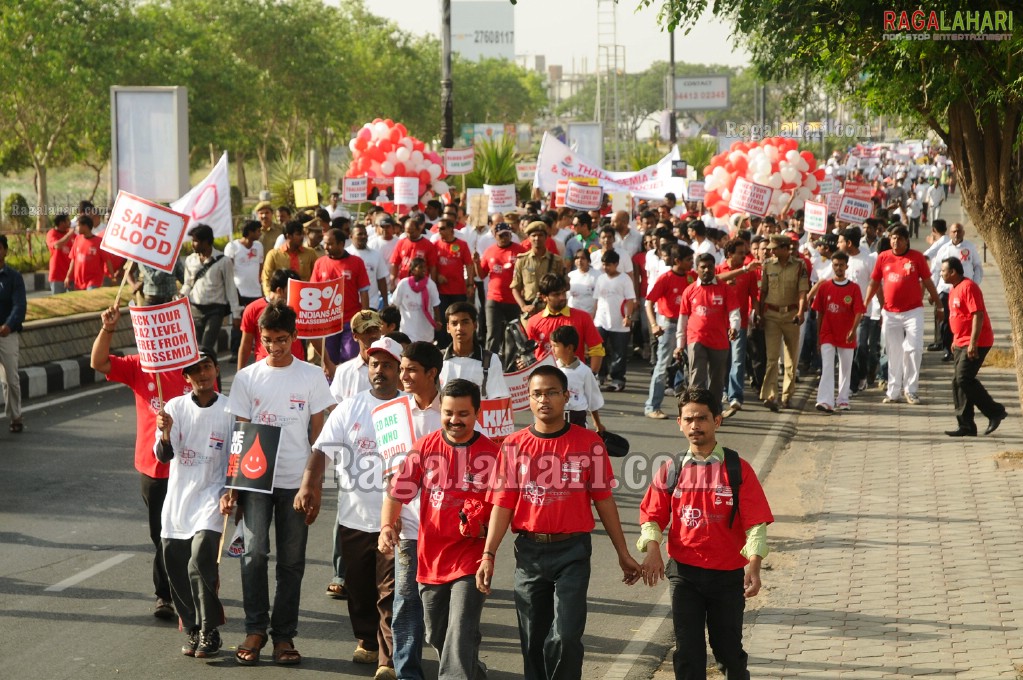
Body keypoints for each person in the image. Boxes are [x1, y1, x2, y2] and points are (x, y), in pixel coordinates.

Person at [476, 364, 641, 680]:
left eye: (552, 392)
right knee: (533, 642)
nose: (544, 400)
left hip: (573, 552)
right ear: (529, 398)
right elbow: (502, 504)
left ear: (566, 396)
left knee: (564, 637)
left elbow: (604, 501)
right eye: (537, 394)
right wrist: (488, 553)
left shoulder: (589, 443)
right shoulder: (513, 446)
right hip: (528, 554)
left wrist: (623, 552)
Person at [222, 301, 334, 666]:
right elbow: (240, 433)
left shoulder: (312, 376)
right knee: (253, 556)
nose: (276, 347)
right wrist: (232, 488)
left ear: (295, 336)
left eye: (282, 339)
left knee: (291, 562)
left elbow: (318, 436)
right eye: (269, 340)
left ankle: (283, 636)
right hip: (255, 483)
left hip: (296, 484)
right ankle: (255, 629)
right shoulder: (247, 378)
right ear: (261, 338)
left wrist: (314, 485)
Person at [637, 387, 773, 680]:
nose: (695, 425)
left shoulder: (738, 469)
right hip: (684, 576)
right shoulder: (671, 469)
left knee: (728, 653)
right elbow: (652, 517)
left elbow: (755, 525)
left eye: (702, 418)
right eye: (688, 419)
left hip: (727, 577)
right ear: (679, 423)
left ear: (718, 421)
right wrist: (652, 550)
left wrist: (754, 565)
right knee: (687, 654)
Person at [295, 337, 406, 680]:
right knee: (359, 587)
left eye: (387, 365)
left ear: (399, 370)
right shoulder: (349, 408)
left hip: (398, 519)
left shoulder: (409, 409)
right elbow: (321, 450)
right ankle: (367, 640)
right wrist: (308, 484)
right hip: (354, 516)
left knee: (390, 589)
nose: (379, 371)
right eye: (374, 364)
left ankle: (387, 656)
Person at [383, 379, 497, 680]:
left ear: (477, 413)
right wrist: (386, 525)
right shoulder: (425, 446)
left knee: (459, 629)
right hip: (431, 557)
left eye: (463, 414)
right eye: (449, 413)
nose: (455, 420)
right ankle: (473, 671)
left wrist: (486, 539)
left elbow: (504, 506)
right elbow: (397, 492)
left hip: (471, 558)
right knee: (437, 633)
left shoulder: (492, 453)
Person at [91, 305, 193, 618]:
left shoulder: (194, 368)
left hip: (190, 466)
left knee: (188, 531)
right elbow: (99, 362)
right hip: (154, 468)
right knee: (161, 534)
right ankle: (165, 595)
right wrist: (108, 329)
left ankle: (190, 586)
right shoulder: (138, 367)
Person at [154, 351, 231, 658]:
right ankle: (193, 627)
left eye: (207, 367)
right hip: (179, 500)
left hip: (213, 497)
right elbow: (163, 456)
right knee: (175, 566)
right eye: (195, 370)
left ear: (215, 371)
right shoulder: (173, 407)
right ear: (186, 377)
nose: (202, 374)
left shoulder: (229, 410)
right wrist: (165, 432)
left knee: (200, 561)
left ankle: (210, 630)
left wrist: (232, 493)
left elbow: (239, 455)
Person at [864, 225, 941, 405]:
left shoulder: (917, 258)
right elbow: (874, 283)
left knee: (914, 350)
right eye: (892, 238)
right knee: (893, 352)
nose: (895, 241)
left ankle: (911, 390)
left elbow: (928, 281)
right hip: (890, 313)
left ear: (907, 240)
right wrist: (864, 303)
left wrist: (939, 305)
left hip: (913, 311)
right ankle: (893, 392)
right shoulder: (883, 257)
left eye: (899, 238)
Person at [941, 257, 1007, 437]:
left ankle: (995, 411)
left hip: (978, 340)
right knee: (957, 382)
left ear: (953, 272)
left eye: (943, 270)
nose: (941, 273)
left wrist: (973, 342)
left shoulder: (968, 287)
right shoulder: (953, 289)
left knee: (964, 378)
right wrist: (955, 339)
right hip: (960, 341)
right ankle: (966, 425)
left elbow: (977, 314)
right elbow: (957, 316)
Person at [676, 253, 740, 406]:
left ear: (714, 269)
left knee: (717, 381)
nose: (706, 270)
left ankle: (715, 413)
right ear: (696, 269)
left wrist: (734, 327)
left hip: (719, 341)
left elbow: (734, 312)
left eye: (710, 267)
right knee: (697, 377)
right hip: (696, 339)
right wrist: (679, 345)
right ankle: (697, 410)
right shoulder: (689, 290)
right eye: (702, 267)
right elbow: (683, 319)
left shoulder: (724, 289)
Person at [756, 234, 809, 412]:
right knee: (772, 358)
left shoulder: (799, 266)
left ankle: (787, 395)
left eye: (775, 248)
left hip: (791, 314)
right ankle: (771, 395)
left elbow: (802, 292)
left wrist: (801, 312)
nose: (771, 251)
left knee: (791, 359)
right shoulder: (767, 265)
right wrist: (759, 313)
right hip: (771, 315)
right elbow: (763, 291)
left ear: (786, 249)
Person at [644, 244, 696, 419]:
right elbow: (649, 302)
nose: (692, 263)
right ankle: (652, 406)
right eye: (689, 260)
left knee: (691, 366)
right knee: (662, 366)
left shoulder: (692, 277)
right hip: (668, 326)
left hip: (689, 326)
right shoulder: (665, 278)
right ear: (677, 261)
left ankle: (691, 408)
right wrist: (653, 325)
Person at [811, 251, 865, 413]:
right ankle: (825, 400)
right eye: (835, 265)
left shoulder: (854, 288)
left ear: (846, 266)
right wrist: (819, 336)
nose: (838, 268)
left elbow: (859, 312)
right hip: (827, 333)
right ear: (832, 266)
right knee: (827, 366)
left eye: (841, 265)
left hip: (846, 334)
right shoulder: (824, 287)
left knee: (845, 367)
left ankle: (842, 399)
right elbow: (819, 312)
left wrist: (853, 330)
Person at [311, 227, 371, 367]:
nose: (326, 247)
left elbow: (364, 292)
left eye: (330, 244)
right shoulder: (320, 263)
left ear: (341, 244)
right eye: (325, 243)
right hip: (328, 322)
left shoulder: (357, 262)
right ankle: (331, 388)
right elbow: (314, 292)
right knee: (329, 361)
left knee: (351, 360)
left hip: (351, 321)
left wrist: (364, 319)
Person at [180, 224, 242, 357]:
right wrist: (180, 295)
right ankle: (210, 376)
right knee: (196, 349)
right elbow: (188, 283)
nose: (192, 244)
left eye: (195, 241)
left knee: (206, 347)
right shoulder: (190, 260)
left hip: (215, 310)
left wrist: (236, 315)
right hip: (195, 309)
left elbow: (231, 288)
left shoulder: (223, 261)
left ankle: (213, 374)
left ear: (206, 242)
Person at [524, 273, 605, 371]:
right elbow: (528, 353)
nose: (562, 297)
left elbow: (597, 349)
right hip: (543, 379)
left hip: (574, 379)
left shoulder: (583, 317)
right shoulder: (533, 322)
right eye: (556, 294)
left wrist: (592, 376)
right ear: (544, 297)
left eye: (563, 293)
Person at [716, 239, 759, 418]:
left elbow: (753, 295)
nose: (744, 256)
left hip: (739, 323)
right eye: (740, 253)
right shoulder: (718, 270)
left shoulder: (749, 272)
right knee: (723, 361)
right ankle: (724, 390)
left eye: (745, 253)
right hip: (719, 324)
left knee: (738, 360)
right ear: (729, 254)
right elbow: (714, 282)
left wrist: (755, 313)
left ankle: (735, 397)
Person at [932, 223, 983, 360]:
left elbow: (977, 266)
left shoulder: (970, 247)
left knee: (963, 319)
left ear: (963, 232)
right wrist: (935, 291)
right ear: (949, 233)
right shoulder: (944, 249)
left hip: (964, 290)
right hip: (946, 290)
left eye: (959, 231)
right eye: (953, 231)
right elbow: (937, 270)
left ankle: (962, 345)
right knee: (946, 321)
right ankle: (947, 349)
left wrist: (975, 283)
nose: (956, 234)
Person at [439, 302, 511, 399]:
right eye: (454, 323)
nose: (459, 328)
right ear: (448, 328)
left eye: (465, 322)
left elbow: (498, 398)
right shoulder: (438, 358)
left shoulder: (490, 359)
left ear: (475, 325)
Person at [237, 269, 304, 371]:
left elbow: (313, 336)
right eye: (293, 289)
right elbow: (246, 344)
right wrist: (240, 373)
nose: (297, 294)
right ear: (279, 290)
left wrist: (326, 361)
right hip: (265, 370)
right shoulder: (253, 309)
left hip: (296, 369)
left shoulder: (300, 307)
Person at [477, 223, 526, 363]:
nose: (505, 238)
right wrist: (475, 263)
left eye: (507, 234)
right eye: (501, 235)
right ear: (494, 235)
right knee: (493, 334)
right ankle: (487, 365)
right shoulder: (489, 251)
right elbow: (481, 275)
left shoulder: (520, 251)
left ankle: (509, 367)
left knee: (513, 335)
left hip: (514, 299)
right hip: (494, 299)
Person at [593, 250, 636, 392]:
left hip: (620, 322)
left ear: (616, 264)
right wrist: (593, 319)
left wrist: (628, 317)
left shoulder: (624, 279)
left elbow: (630, 299)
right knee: (599, 350)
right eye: (604, 265)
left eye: (608, 265)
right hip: (601, 321)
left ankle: (618, 379)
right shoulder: (600, 279)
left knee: (619, 352)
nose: (605, 268)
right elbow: (596, 300)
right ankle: (600, 375)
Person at [224, 220, 266, 360]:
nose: (260, 233)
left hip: (255, 291)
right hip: (239, 291)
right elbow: (228, 270)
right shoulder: (232, 247)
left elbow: (260, 266)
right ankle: (236, 352)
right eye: (257, 231)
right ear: (249, 232)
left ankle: (260, 349)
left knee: (259, 322)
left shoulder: (259, 246)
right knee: (238, 323)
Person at [551, 325, 605, 431]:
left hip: (577, 418)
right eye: (552, 345)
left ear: (569, 348)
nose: (552, 349)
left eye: (556, 346)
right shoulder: (552, 369)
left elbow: (592, 399)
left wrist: (597, 423)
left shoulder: (584, 371)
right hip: (557, 417)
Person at [432, 218, 475, 347]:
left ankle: (459, 345)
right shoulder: (436, 245)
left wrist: (470, 284)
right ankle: (444, 347)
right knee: (444, 320)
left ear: (451, 229)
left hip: (458, 291)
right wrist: (437, 277)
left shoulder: (462, 245)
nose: (440, 231)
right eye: (439, 228)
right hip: (441, 292)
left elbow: (469, 265)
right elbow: (432, 266)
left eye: (443, 228)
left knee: (459, 319)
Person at [0, 234, 26, 433]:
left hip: (7, 334)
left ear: (5, 251)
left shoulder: (14, 278)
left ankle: (15, 416)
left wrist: (8, 325)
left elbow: (19, 305)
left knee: (10, 378)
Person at [512, 221, 565, 319]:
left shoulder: (556, 260)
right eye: (533, 235)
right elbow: (515, 288)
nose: (537, 238)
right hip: (530, 310)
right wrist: (523, 306)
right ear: (529, 238)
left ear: (546, 237)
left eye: (540, 235)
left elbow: (564, 286)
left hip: (551, 310)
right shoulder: (522, 260)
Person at [392, 256, 441, 344]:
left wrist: (438, 321)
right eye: (420, 267)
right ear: (413, 270)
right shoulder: (403, 284)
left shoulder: (430, 284)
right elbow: (395, 302)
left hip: (425, 330)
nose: (424, 269)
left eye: (425, 267)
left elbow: (436, 304)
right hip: (407, 330)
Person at [348, 223, 390, 311]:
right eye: (360, 234)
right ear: (351, 236)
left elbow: (381, 280)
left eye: (365, 234)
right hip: (350, 306)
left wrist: (385, 303)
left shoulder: (376, 255)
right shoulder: (346, 254)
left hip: (371, 304)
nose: (363, 236)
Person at [66, 215, 113, 291]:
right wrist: (68, 276)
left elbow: (107, 260)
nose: (76, 228)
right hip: (79, 282)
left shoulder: (99, 241)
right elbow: (73, 260)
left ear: (85, 226)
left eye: (78, 225)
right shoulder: (77, 239)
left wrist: (112, 277)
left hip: (93, 281)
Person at [46, 213, 75, 294]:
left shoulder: (72, 234)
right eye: (68, 220)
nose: (70, 222)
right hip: (57, 275)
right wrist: (69, 235)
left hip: (71, 275)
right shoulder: (52, 233)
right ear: (62, 223)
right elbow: (57, 245)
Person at [567, 248, 598, 316]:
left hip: (590, 314)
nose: (580, 261)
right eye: (577, 258)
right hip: (573, 314)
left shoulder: (597, 275)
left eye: (583, 258)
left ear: (588, 261)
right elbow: (567, 296)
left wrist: (594, 315)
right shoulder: (570, 275)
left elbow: (598, 299)